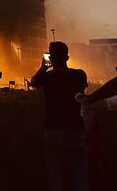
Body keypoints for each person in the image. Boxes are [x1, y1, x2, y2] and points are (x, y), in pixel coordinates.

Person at [31, 41, 89, 191]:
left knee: (54, 173)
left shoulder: (47, 77)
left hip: (52, 129)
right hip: (75, 128)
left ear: (51, 58)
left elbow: (34, 82)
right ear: (67, 57)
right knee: (80, 173)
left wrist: (43, 67)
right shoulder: (79, 74)